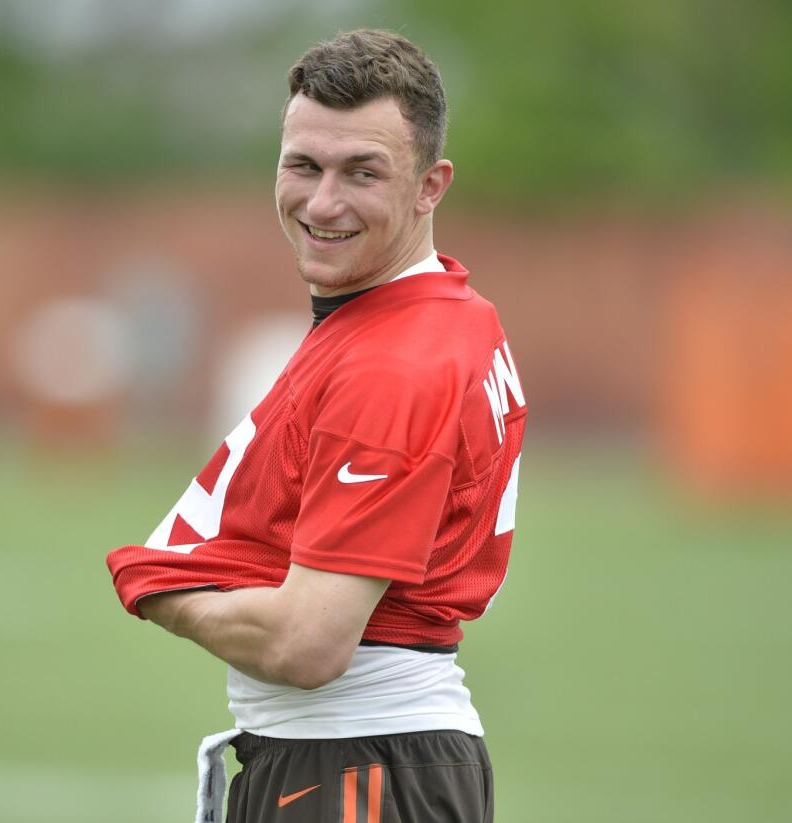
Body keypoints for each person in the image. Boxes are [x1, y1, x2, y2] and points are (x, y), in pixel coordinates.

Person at [106, 29, 526, 823]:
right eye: (304, 165)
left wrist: (163, 586)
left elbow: (309, 645)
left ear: (430, 186)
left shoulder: (392, 364)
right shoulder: (446, 308)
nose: (322, 202)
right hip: (376, 757)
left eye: (362, 172)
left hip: (356, 767)